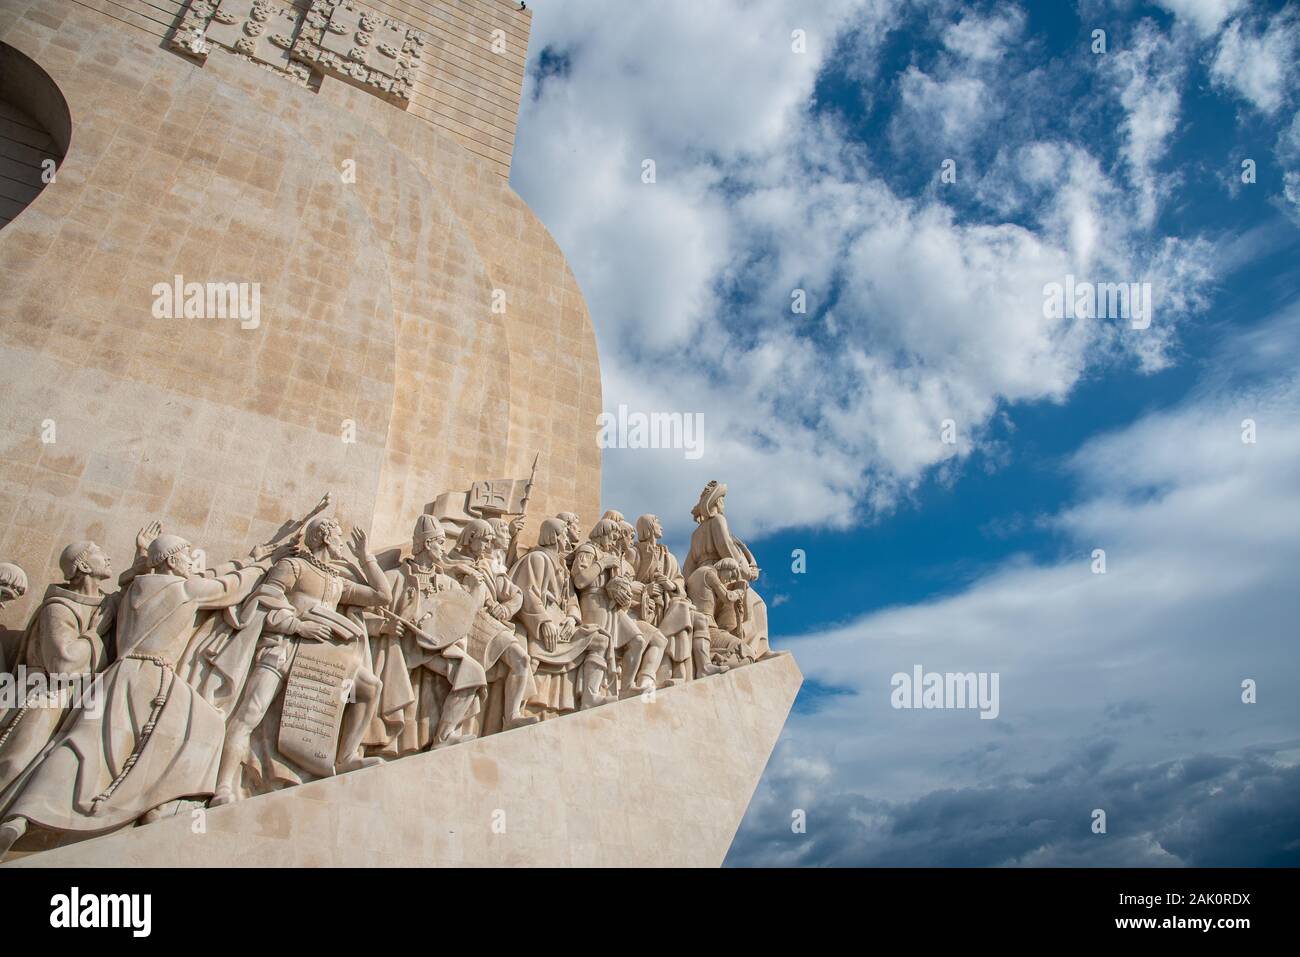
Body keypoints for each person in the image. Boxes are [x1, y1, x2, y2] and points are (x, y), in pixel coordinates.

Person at [0, 534, 269, 855]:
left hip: (117, 675)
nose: (192, 564)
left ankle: (22, 816)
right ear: (171, 561)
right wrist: (259, 565)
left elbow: (195, 576)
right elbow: (228, 587)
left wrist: (141, 557)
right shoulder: (182, 589)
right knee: (209, 726)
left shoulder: (136, 588)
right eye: (185, 557)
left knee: (85, 745)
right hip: (153, 677)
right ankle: (163, 804)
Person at [211, 516, 390, 804]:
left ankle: (345, 757)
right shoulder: (293, 567)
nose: (341, 542)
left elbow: (382, 596)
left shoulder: (336, 582)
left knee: (370, 688)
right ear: (324, 537)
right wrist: (297, 625)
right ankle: (221, 787)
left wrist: (366, 557)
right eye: (338, 535)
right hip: (283, 649)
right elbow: (264, 600)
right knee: (249, 714)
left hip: (319, 659)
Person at [369, 515, 486, 755]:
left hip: (436, 646)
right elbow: (365, 612)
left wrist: (476, 585)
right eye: (440, 542)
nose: (444, 548)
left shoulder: (447, 582)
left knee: (473, 672)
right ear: (425, 543)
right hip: (406, 645)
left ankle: (444, 736)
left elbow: (465, 615)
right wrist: (382, 626)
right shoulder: (395, 577)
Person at [510, 517, 612, 714]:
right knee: (529, 658)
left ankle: (590, 696)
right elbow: (528, 593)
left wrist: (572, 618)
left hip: (561, 624)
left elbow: (572, 601)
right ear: (555, 537)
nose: (568, 540)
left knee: (599, 640)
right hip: (540, 625)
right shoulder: (537, 559)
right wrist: (544, 622)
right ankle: (516, 710)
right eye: (565, 534)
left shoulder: (563, 569)